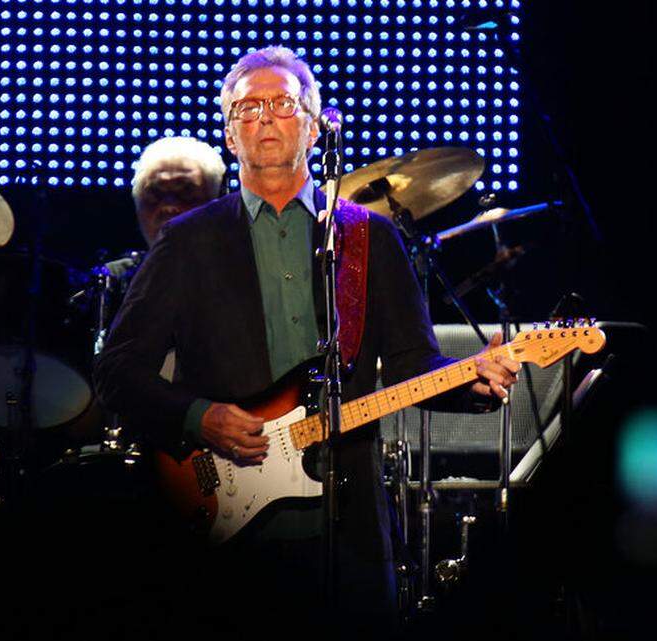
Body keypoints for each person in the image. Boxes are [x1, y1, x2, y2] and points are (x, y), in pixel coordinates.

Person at [93, 46, 520, 634]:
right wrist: (200, 417)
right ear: (229, 133)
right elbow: (116, 372)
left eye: (282, 103)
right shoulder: (186, 242)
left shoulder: (370, 235)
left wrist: (470, 381)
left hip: (349, 521)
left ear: (315, 127)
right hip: (229, 516)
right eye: (247, 108)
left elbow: (410, 365)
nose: (264, 118)